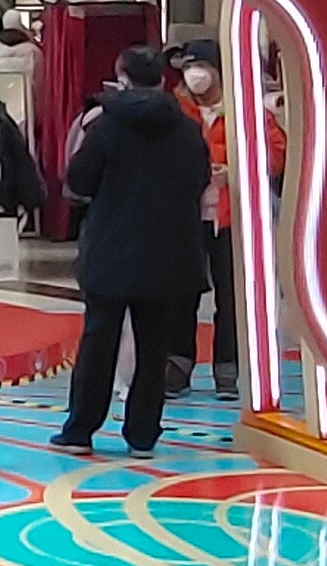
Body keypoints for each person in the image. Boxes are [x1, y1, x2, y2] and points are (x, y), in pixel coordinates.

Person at [52, 46, 210, 458]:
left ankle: (81, 429)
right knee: (153, 345)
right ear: (163, 78)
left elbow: (79, 181)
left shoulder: (106, 126)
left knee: (98, 341)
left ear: (122, 77)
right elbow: (199, 179)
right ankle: (142, 433)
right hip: (169, 251)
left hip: (111, 248)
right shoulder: (187, 129)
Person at [177, 54, 280, 401]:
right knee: (181, 293)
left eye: (201, 67)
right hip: (185, 216)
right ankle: (177, 366)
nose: (195, 76)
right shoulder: (176, 112)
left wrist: (234, 169)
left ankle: (227, 368)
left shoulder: (245, 110)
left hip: (231, 215)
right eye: (188, 68)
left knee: (231, 293)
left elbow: (277, 152)